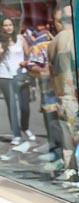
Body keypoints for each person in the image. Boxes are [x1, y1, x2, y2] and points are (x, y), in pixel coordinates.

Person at [0, 17, 31, 149]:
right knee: (12, 107)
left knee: (25, 107)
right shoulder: (1, 41)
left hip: (21, 75)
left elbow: (28, 54)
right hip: (5, 76)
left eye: (10, 25)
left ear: (14, 26)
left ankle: (25, 127)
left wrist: (27, 62)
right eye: (5, 25)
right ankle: (16, 134)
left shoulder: (20, 38)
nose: (8, 27)